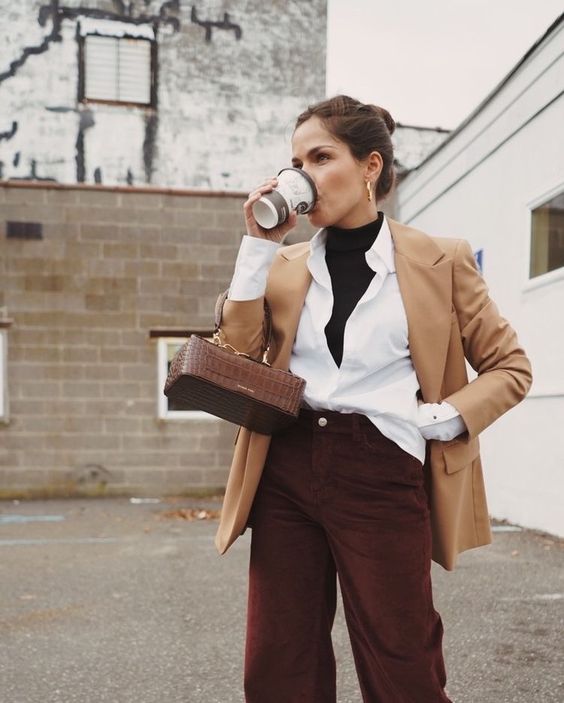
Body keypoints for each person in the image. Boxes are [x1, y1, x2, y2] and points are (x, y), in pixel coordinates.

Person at [214, 95, 533, 702]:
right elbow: (235, 351)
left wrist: (441, 420)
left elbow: (511, 367)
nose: (301, 175)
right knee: (280, 656)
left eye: (321, 156)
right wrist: (256, 247)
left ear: (369, 167)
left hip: (382, 466)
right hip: (286, 460)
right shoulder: (282, 264)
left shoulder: (440, 259)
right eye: (295, 160)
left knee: (400, 654)